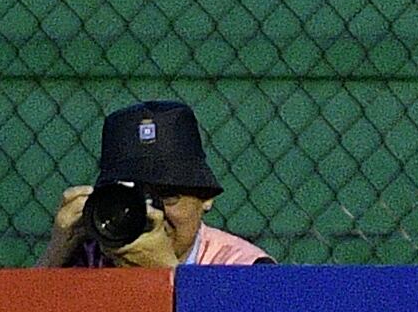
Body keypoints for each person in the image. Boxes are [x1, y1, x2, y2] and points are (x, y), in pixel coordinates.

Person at [39, 98, 271, 268]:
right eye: (134, 198)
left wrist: (166, 273)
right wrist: (54, 255)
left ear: (206, 197)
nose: (152, 214)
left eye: (169, 196)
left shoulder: (243, 267)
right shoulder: (87, 260)